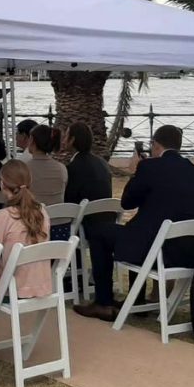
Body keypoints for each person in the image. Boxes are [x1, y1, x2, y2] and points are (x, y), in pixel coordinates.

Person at [74, 125, 194, 320]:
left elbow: (127, 203)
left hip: (152, 248)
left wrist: (135, 172)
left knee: (99, 232)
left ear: (155, 145)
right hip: (181, 248)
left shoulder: (148, 167)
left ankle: (103, 302)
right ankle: (137, 300)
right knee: (135, 228)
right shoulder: (193, 172)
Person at [62, 122, 115, 297]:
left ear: (72, 140)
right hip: (107, 218)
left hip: (87, 224)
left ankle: (69, 277)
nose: (63, 138)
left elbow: (70, 200)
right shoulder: (101, 163)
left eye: (66, 134)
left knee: (65, 223)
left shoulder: (74, 168)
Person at [0, 160, 51, 297]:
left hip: (12, 288)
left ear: (2, 184)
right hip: (43, 285)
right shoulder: (42, 212)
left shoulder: (2, 216)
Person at [26, 125, 66, 205]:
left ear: (32, 140)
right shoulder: (61, 168)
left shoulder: (24, 168)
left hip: (33, 216)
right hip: (58, 216)